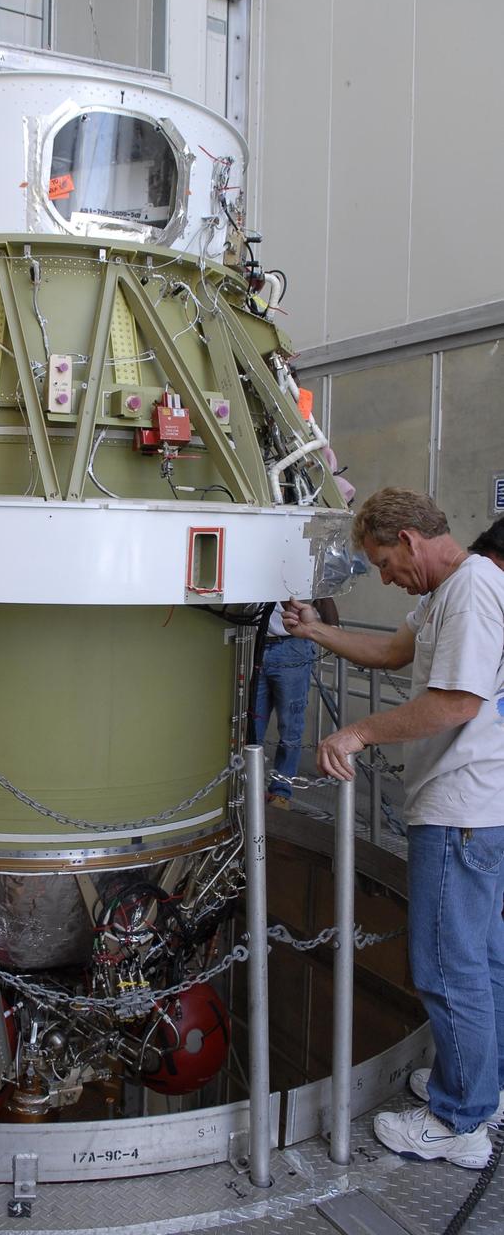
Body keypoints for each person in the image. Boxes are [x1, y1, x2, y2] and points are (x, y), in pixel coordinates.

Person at [282, 487, 504, 1169]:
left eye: (383, 562)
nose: (384, 578)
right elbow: (389, 653)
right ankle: (483, 1087)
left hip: (460, 808)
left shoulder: (472, 590)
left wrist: (355, 733)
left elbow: (456, 702)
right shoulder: (444, 594)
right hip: (478, 808)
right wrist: (314, 630)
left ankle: (459, 1120)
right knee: (484, 959)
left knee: (447, 965)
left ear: (408, 540)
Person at [254, 599, 338, 809]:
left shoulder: (298, 580)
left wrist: (334, 635)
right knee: (252, 725)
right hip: (255, 644)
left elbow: (324, 596)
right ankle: (250, 788)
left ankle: (281, 792)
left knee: (290, 726)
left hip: (292, 645)